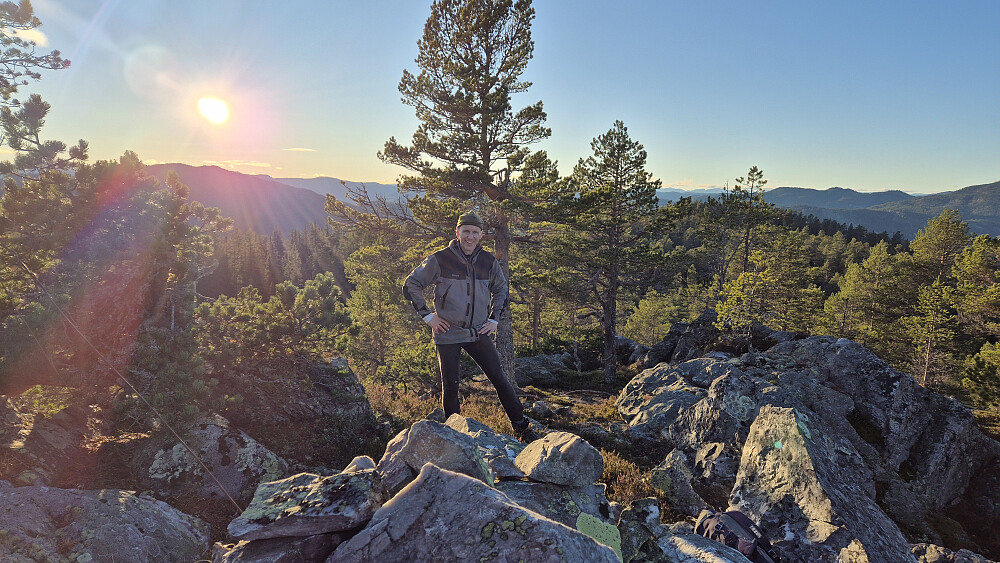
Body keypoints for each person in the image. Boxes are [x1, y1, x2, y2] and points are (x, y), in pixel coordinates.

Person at [403, 211, 540, 442]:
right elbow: (411, 284)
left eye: (475, 232)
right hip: (448, 332)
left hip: (478, 332)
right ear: (457, 232)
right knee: (451, 384)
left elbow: (501, 290)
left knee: (499, 378)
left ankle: (522, 427)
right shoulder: (441, 258)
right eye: (466, 231)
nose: (470, 236)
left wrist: (494, 319)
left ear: (481, 235)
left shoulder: (488, 261)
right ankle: (454, 436)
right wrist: (428, 317)